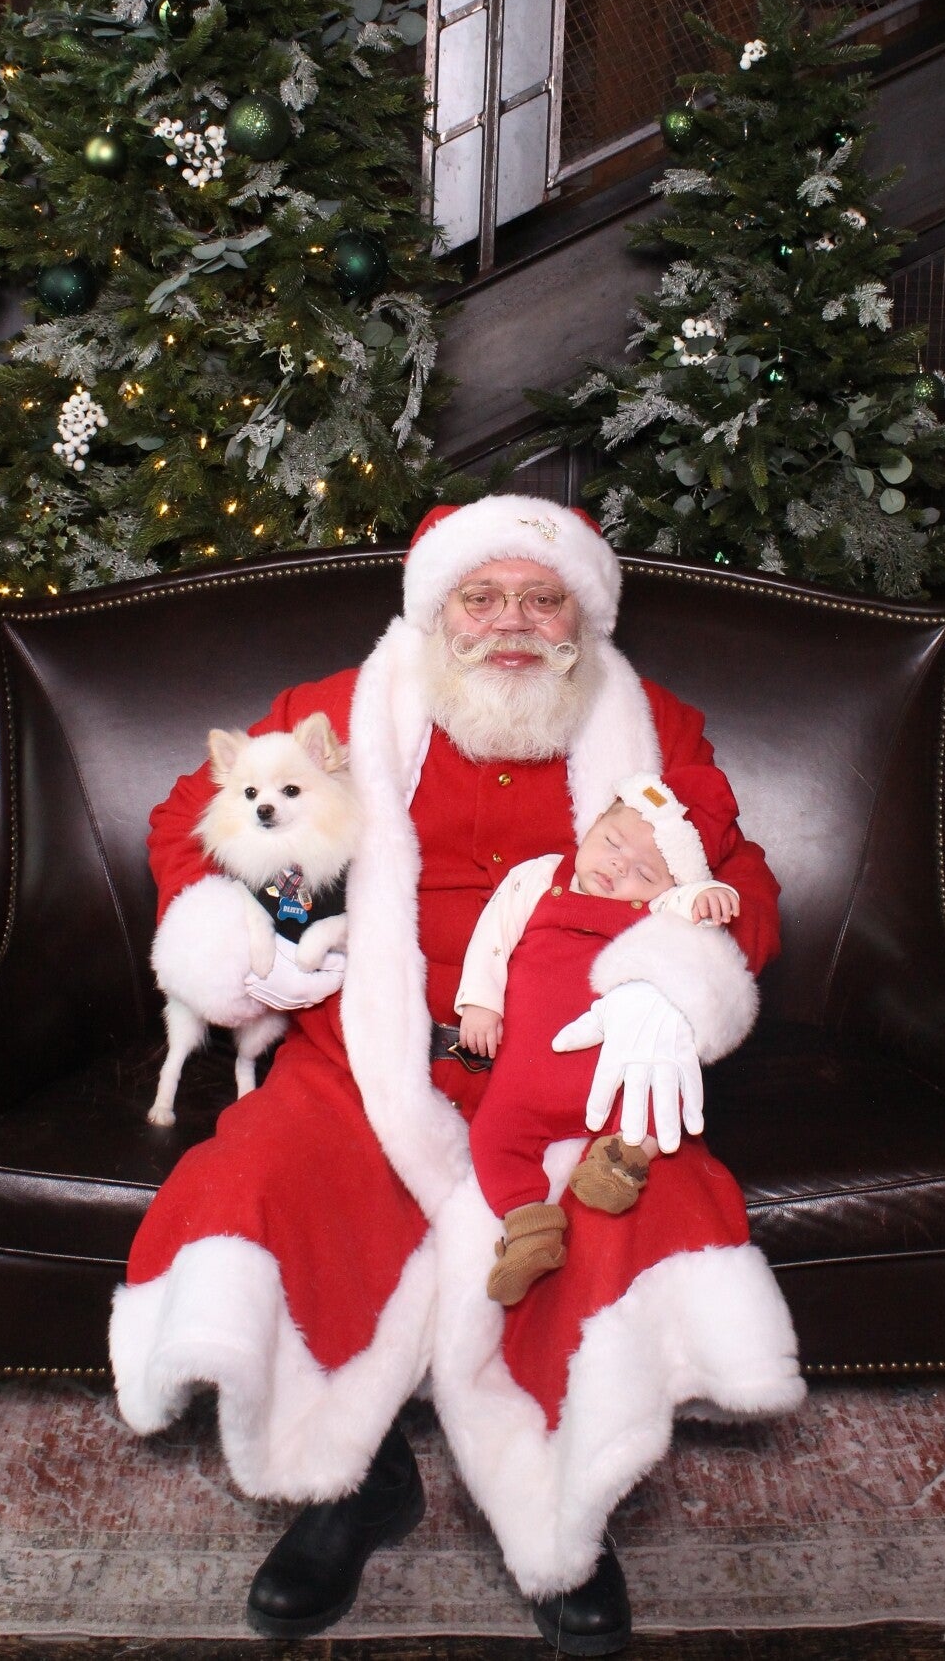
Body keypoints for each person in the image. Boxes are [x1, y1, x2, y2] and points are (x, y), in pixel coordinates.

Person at [110, 495, 804, 1653]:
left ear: (583, 614)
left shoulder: (656, 729)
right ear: (438, 611)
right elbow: (193, 824)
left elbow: (738, 877)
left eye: (541, 599)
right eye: (480, 599)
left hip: (571, 1065)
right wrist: (243, 941)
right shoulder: (331, 710)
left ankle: (563, 1507)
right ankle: (355, 1482)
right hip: (360, 1050)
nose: (511, 625)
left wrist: (667, 988)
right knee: (268, 1182)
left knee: (630, 1215)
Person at [455, 771, 748, 1305]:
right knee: (490, 1136)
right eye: (612, 843)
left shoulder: (661, 907)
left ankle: (622, 1160)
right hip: (527, 1072)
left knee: (665, 1108)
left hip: (611, 1074)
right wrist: (480, 1001)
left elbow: (696, 910)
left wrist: (709, 896)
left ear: (668, 886)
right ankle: (529, 1225)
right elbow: (493, 935)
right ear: (590, 827)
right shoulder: (542, 876)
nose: (619, 866)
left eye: (645, 871)